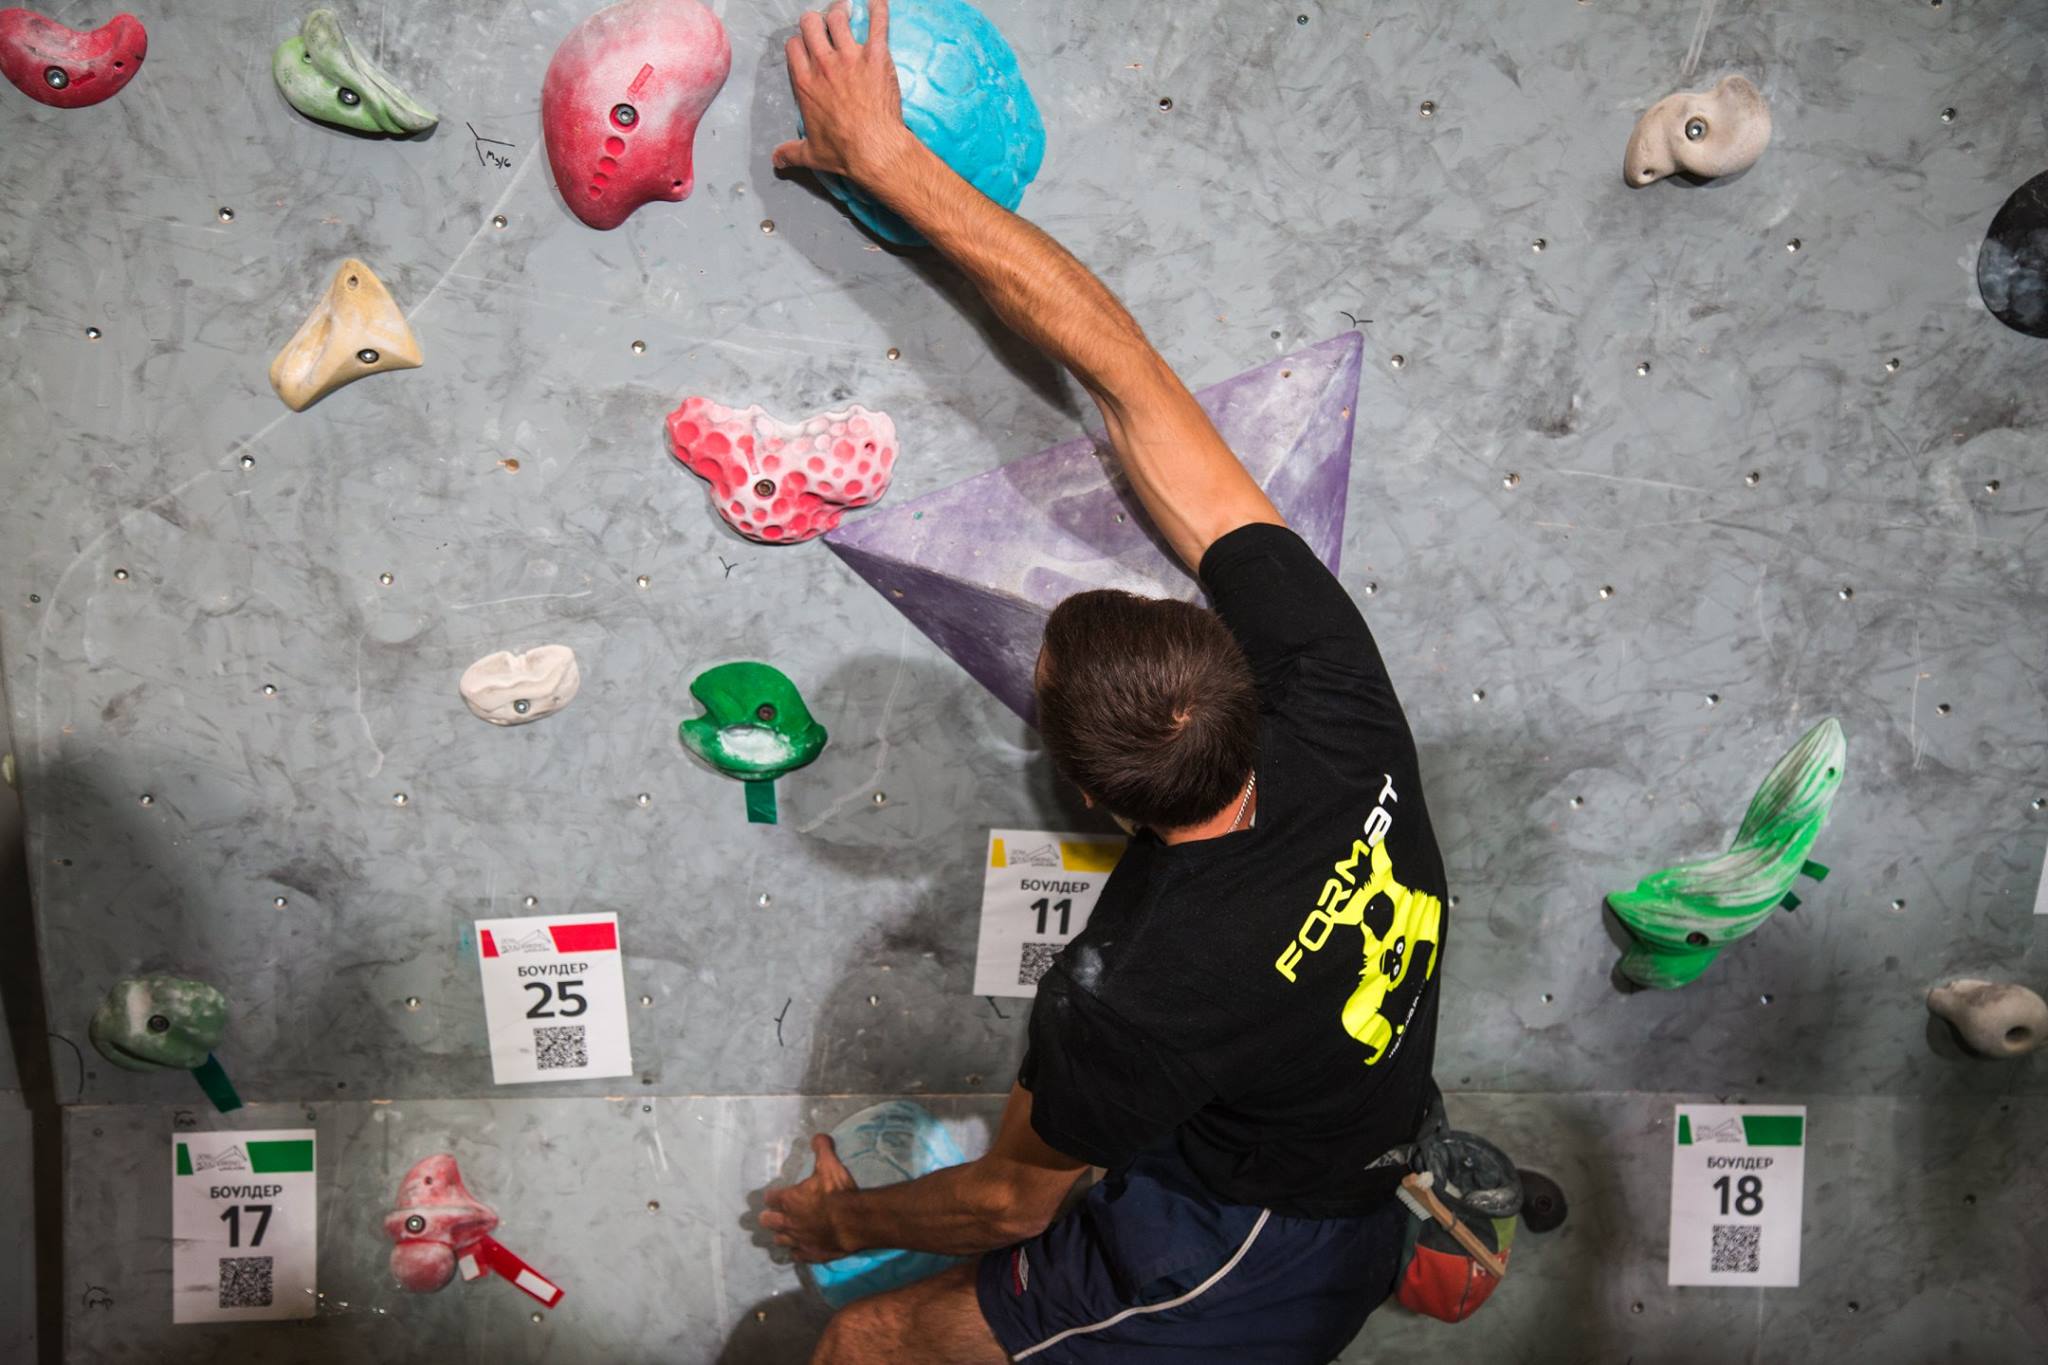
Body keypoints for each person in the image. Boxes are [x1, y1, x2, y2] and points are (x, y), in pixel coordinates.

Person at [761, 4, 1451, 1361]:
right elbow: (1131, 382)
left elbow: (1015, 1192)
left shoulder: (1132, 984)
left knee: (866, 1345)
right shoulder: (1340, 701)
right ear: (1228, 658)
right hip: (1331, 1165)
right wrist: (896, 165)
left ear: (1091, 793)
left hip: (1239, 1255)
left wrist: (841, 1227)